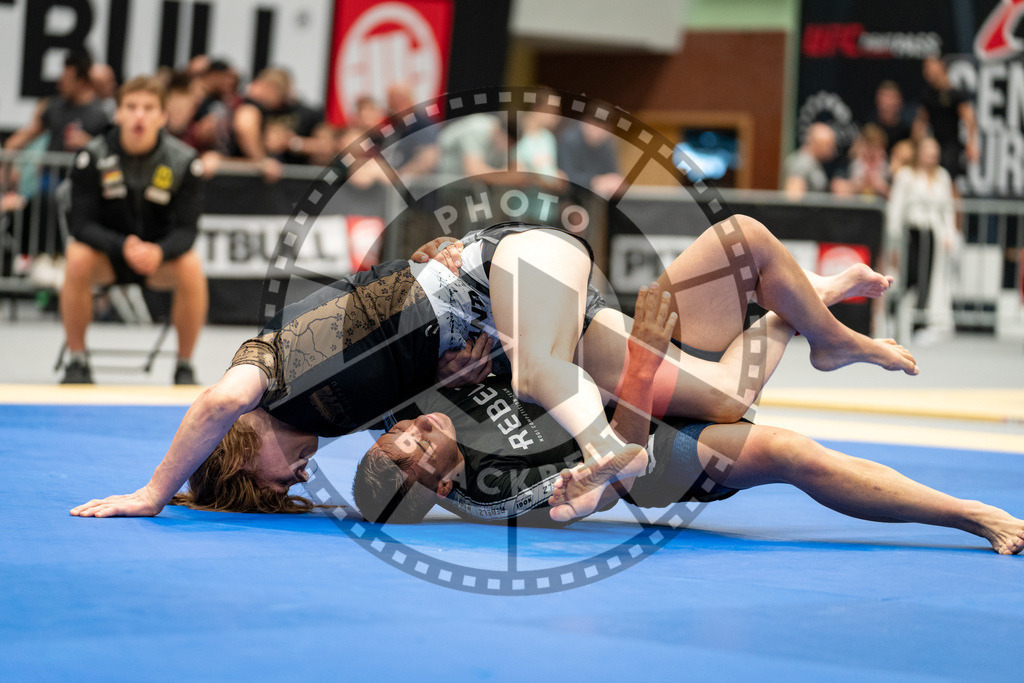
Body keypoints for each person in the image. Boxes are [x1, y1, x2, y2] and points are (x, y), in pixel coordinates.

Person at [70, 216, 916, 518]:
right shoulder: (335, 421)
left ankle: (606, 452)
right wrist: (456, 360)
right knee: (725, 393)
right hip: (515, 309)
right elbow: (417, 379)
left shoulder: (266, 374)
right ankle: (817, 321)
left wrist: (153, 490)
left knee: (538, 368)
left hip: (504, 267)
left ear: (235, 438)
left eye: (267, 474)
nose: (291, 476)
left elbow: (216, 399)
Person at [356, 285, 1024, 555]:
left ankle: (814, 299)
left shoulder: (423, 413)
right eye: (411, 448)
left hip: (609, 386)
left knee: (743, 328)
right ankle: (969, 513)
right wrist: (643, 362)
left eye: (398, 432)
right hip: (648, 451)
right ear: (438, 488)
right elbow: (619, 463)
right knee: (793, 453)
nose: (415, 429)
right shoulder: (499, 491)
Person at [60, 76, 208, 385]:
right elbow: (80, 224)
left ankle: (184, 365)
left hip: (156, 261)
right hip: (108, 257)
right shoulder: (92, 157)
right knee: (75, 257)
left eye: (148, 108)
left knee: (192, 266)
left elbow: (187, 231)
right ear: (118, 114)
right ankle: (77, 360)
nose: (139, 115)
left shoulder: (184, 162)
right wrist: (121, 244)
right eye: (131, 107)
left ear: (162, 117)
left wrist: (160, 251)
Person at [886, 137, 959, 343]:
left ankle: (920, 324)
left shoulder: (942, 177)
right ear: (919, 152)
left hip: (933, 235)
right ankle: (892, 316)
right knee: (907, 277)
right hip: (911, 233)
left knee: (927, 280)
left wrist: (949, 233)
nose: (931, 156)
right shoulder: (906, 175)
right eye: (928, 150)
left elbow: (948, 209)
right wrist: (893, 239)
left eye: (935, 151)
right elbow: (896, 208)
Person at [914, 55, 979, 181]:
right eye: (925, 68)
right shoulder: (927, 95)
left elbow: (969, 119)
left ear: (941, 66)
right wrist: (916, 144)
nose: (927, 71)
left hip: (952, 145)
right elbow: (921, 121)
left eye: (931, 66)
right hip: (933, 143)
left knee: (949, 180)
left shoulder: (956, 94)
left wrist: (971, 144)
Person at [782, 122, 837, 199]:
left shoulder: (814, 162)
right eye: (828, 146)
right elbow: (793, 197)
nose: (833, 150)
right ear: (815, 143)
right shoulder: (801, 163)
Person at [871, 81, 911, 154]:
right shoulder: (869, 128)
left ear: (899, 102)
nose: (886, 104)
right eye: (883, 99)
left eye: (891, 98)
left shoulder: (907, 132)